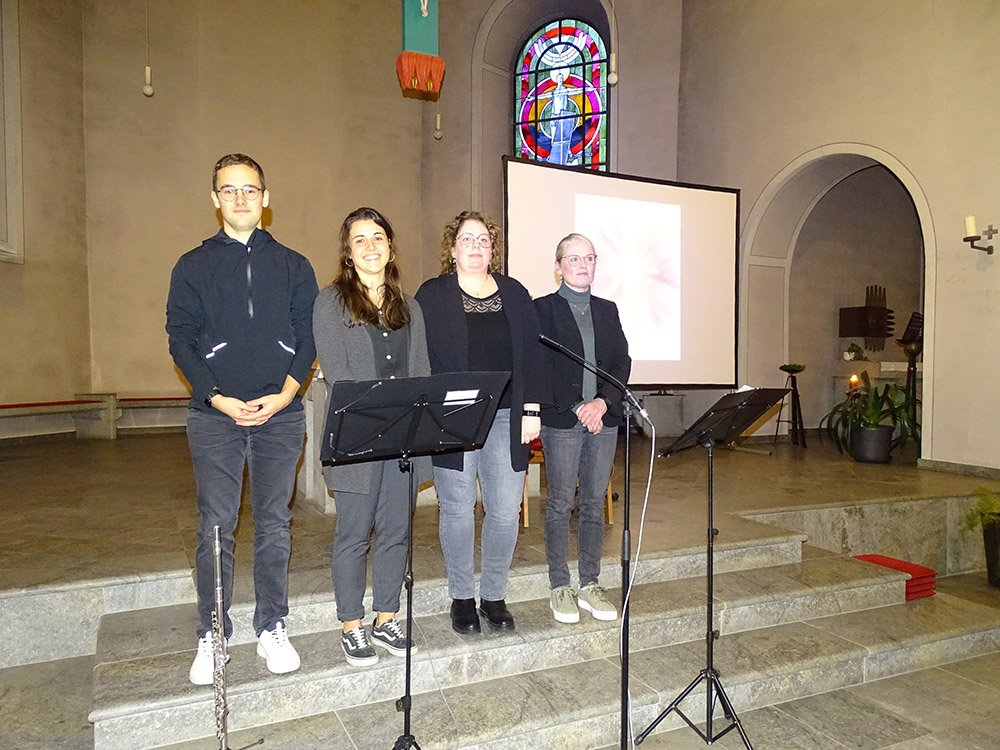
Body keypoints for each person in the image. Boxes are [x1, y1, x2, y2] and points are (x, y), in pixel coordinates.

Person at [166, 153, 318, 685]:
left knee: (274, 522)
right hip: (215, 415)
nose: (240, 198)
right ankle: (213, 632)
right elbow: (179, 338)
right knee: (216, 525)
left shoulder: (294, 265)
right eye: (228, 190)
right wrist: (213, 396)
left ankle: (272, 625)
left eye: (249, 189)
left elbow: (308, 335)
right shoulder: (192, 265)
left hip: (280, 413)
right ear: (214, 200)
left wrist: (285, 395)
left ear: (265, 198)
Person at [415, 210, 547, 635]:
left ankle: (493, 595)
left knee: (505, 512)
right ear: (452, 249)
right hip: (454, 417)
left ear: (493, 249)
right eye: (466, 239)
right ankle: (461, 597)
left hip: (509, 417)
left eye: (483, 240)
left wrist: (532, 409)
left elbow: (531, 355)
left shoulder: (515, 293)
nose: (475, 247)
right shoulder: (432, 295)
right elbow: (421, 357)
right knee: (456, 509)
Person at [312, 207, 431, 666]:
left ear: (390, 246)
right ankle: (351, 624)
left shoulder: (409, 306)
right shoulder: (330, 303)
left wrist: (417, 428)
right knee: (354, 533)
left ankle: (385, 617)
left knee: (397, 530)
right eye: (359, 239)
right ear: (348, 251)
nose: (370, 247)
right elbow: (339, 377)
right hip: (357, 437)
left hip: (402, 437)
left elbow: (421, 370)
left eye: (377, 237)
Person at [534, 233, 631, 624]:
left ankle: (590, 582)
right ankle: (560, 585)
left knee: (593, 503)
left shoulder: (607, 309)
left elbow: (621, 362)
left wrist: (603, 402)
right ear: (558, 266)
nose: (582, 265)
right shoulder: (542, 310)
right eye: (573, 259)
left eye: (589, 258)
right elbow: (544, 365)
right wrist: (578, 405)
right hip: (563, 419)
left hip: (603, 419)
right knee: (560, 503)